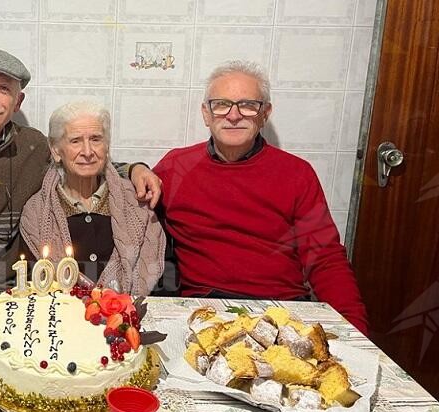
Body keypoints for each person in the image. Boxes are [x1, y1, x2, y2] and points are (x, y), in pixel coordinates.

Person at [0, 48, 162, 291]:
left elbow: (79, 162)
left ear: (18, 101)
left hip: (12, 287)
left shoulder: (34, 146)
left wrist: (132, 169)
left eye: (4, 89)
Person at [153, 60, 369, 334]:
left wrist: (354, 330)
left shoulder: (296, 173)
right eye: (221, 104)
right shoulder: (176, 167)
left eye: (247, 105)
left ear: (265, 113)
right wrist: (134, 169)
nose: (233, 115)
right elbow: (123, 197)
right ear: (206, 114)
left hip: (282, 311)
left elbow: (325, 258)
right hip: (204, 310)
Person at [20, 101, 165, 296]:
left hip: (132, 318)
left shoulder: (137, 203)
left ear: (107, 146)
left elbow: (161, 279)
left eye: (96, 139)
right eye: (75, 141)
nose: (87, 152)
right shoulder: (36, 212)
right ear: (56, 151)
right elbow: (32, 286)